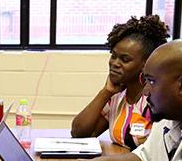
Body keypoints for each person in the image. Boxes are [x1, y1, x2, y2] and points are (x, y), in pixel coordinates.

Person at [71, 15, 169, 149]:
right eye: (114, 56)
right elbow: (80, 134)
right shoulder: (117, 97)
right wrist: (106, 92)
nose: (115, 63)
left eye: (125, 59)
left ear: (146, 64)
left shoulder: (156, 101)